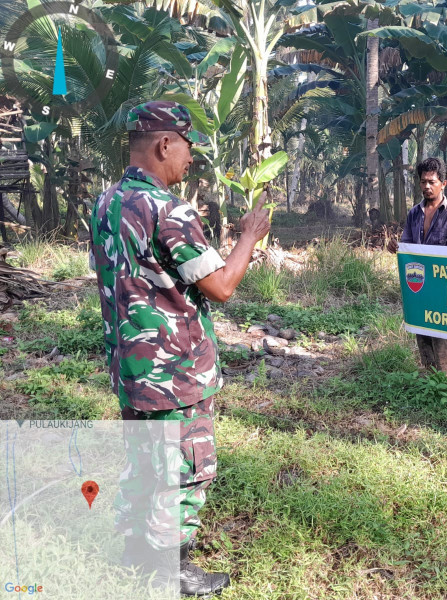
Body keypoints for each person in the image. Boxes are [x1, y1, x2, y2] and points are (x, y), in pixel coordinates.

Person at [90, 101, 272, 597]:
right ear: (164, 143)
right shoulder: (168, 209)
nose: (190, 159)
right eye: (188, 147)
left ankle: (134, 548)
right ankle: (172, 568)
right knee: (186, 469)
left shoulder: (106, 203)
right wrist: (248, 237)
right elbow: (223, 286)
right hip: (175, 372)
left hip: (130, 367)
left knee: (144, 461)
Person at [388, 157, 447, 377]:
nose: (426, 186)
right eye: (423, 181)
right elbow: (408, 247)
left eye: (432, 181)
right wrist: (397, 247)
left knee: (442, 338)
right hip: (418, 285)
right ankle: (431, 383)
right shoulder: (414, 213)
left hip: (443, 288)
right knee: (422, 335)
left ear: (443, 183)